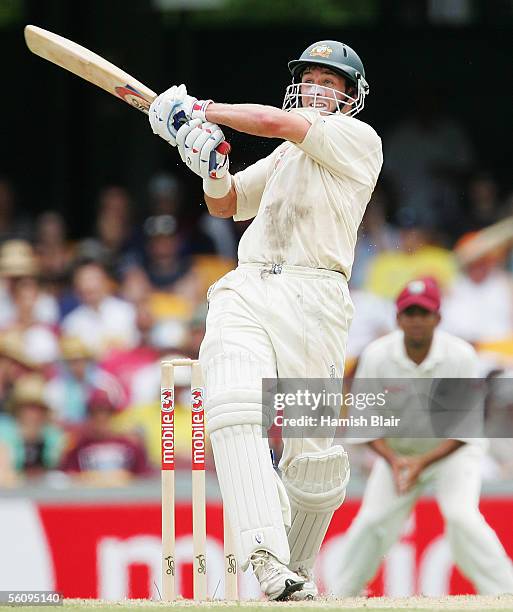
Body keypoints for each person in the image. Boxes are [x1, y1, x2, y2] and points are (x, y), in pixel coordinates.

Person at [148, 40, 383, 600]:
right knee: (229, 409)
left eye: (333, 82)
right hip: (248, 285)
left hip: (315, 299)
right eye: (312, 79)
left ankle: (295, 574)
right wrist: (212, 165)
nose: (319, 89)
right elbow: (228, 205)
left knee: (314, 457)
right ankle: (268, 562)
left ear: (350, 96)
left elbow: (274, 122)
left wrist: (200, 110)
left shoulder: (357, 140)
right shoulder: (281, 157)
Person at [335, 277, 513, 596]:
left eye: (424, 313)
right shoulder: (377, 355)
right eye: (410, 313)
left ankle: (504, 594)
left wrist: (420, 463)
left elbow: (464, 429)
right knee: (372, 521)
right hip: (398, 454)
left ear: (438, 318)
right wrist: (396, 460)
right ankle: (340, 596)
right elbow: (364, 422)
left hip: (453, 455)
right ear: (398, 318)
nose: (417, 320)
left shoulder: (459, 356)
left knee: (462, 517)